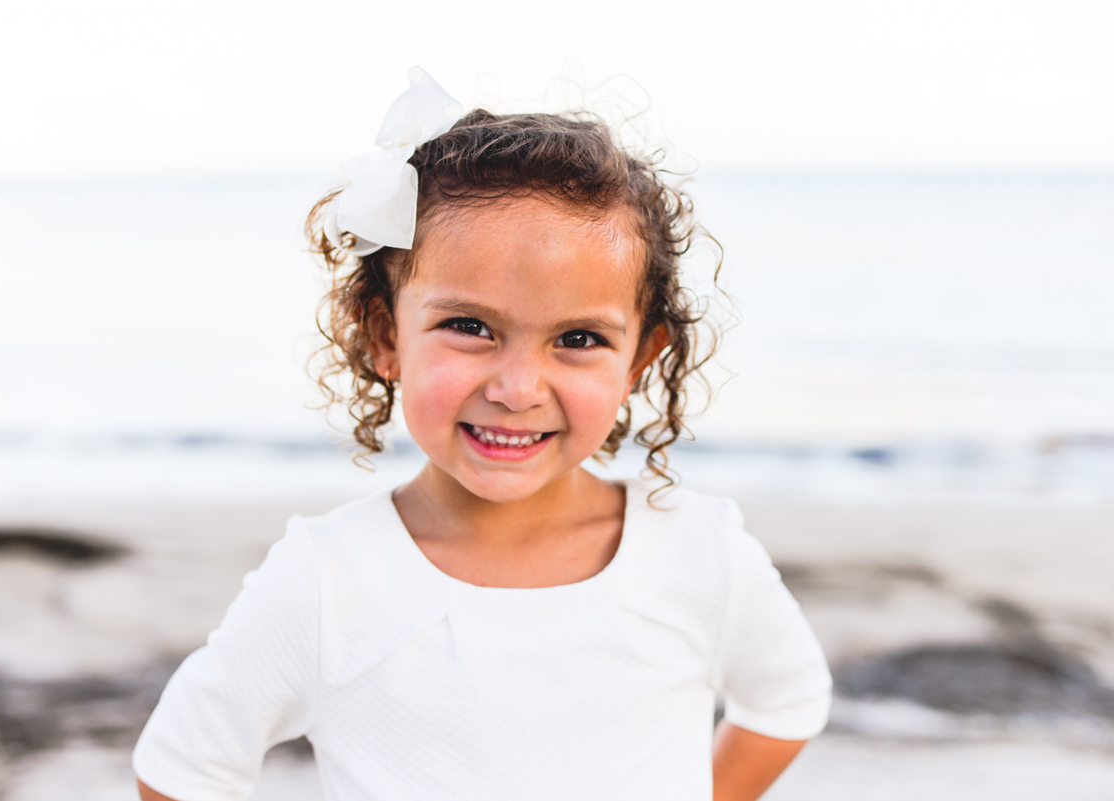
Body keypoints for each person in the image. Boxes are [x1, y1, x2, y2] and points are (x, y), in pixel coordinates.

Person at [133, 67, 831, 801]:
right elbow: (184, 770)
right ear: (385, 335)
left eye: (580, 337)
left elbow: (788, 700)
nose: (517, 388)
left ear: (640, 358)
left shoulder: (699, 552)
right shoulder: (326, 579)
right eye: (469, 327)